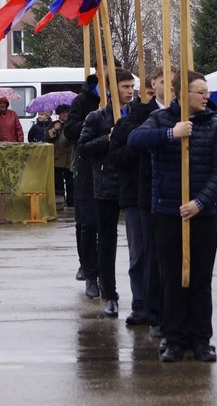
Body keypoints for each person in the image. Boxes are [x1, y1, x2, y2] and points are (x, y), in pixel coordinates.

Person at [128, 71, 217, 363]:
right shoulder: (162, 120)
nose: (206, 96)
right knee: (172, 278)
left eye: (206, 91)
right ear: (180, 94)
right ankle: (173, 340)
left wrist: (200, 203)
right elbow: (134, 140)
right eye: (200, 92)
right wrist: (171, 134)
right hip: (167, 212)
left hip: (202, 214)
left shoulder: (215, 124)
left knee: (200, 279)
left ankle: (201, 340)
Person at [78, 68, 136, 318]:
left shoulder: (139, 114)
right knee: (107, 240)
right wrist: (108, 138)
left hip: (133, 184)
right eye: (125, 87)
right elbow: (83, 147)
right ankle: (109, 294)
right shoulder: (97, 117)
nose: (130, 91)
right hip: (106, 184)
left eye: (132, 86)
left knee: (139, 242)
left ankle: (142, 299)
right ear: (112, 89)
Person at [109, 68, 163, 328]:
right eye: (152, 90)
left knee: (164, 255)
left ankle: (162, 307)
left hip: (166, 194)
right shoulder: (130, 121)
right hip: (134, 195)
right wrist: (138, 140)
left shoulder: (176, 117)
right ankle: (140, 304)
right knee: (139, 254)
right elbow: (116, 157)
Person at [64, 72, 101, 296]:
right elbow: (70, 132)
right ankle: (89, 270)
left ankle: (104, 275)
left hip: (112, 171)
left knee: (106, 230)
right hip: (86, 169)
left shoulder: (122, 98)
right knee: (86, 224)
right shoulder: (82, 101)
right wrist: (93, 123)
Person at [45, 105, 73, 208]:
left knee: (70, 181)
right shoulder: (53, 124)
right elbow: (48, 137)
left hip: (69, 158)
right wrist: (54, 129)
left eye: (67, 112)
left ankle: (71, 201)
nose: (65, 115)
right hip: (58, 158)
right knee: (58, 181)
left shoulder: (71, 124)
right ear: (59, 114)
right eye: (63, 113)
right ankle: (59, 202)